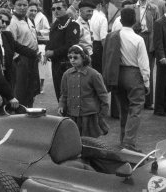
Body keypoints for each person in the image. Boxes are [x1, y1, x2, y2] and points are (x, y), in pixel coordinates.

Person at [102, 7, 150, 152]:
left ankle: (123, 139)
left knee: (123, 108)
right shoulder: (138, 39)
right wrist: (146, 82)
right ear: (135, 21)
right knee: (135, 108)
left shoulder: (112, 36)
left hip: (117, 73)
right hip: (133, 74)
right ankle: (128, 143)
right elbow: (143, 63)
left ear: (121, 20)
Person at [58, 45, 109, 137]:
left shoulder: (94, 74)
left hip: (88, 115)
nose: (72, 60)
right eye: (70, 57)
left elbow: (103, 94)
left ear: (84, 57)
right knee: (73, 139)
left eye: (75, 57)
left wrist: (102, 114)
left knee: (89, 141)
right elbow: (64, 94)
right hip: (72, 114)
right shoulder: (66, 74)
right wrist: (61, 105)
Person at [0, 8, 39, 91]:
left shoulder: (7, 35)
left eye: (7, 22)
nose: (4, 24)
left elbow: (19, 47)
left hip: (7, 74)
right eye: (2, 21)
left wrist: (35, 54)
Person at [45, 0, 80, 101]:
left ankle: (68, 114)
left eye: (59, 8)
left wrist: (54, 52)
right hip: (56, 62)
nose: (56, 11)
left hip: (66, 63)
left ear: (65, 9)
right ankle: (62, 111)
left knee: (66, 91)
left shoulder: (71, 24)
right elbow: (52, 41)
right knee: (58, 89)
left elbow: (71, 46)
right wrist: (47, 50)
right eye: (53, 9)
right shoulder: (55, 24)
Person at [8, 0, 40, 107]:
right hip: (21, 59)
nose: (22, 7)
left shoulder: (28, 19)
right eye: (19, 5)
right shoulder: (13, 22)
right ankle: (19, 116)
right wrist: (18, 60)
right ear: (13, 6)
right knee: (21, 91)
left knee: (31, 90)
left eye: (25, 5)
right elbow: (12, 43)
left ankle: (28, 113)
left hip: (32, 58)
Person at [134, 0, 158, 109]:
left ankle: (148, 102)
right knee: (135, 68)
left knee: (148, 69)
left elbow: (157, 25)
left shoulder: (153, 8)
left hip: (150, 40)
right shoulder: (133, 7)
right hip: (137, 37)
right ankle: (137, 100)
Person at [28, 1, 50, 94]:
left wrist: (38, 32)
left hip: (40, 43)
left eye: (35, 10)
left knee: (42, 67)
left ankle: (41, 86)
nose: (33, 12)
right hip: (29, 45)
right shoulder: (26, 18)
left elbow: (47, 30)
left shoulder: (42, 17)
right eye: (31, 10)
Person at [89, 0, 107, 73]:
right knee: (99, 70)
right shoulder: (102, 17)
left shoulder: (87, 16)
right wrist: (106, 53)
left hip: (88, 45)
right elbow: (103, 38)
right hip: (98, 47)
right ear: (99, 5)